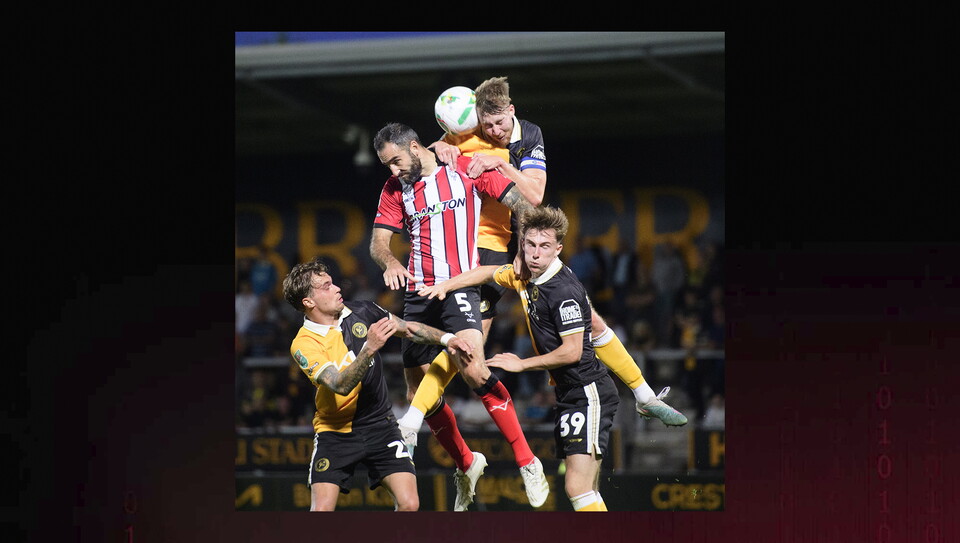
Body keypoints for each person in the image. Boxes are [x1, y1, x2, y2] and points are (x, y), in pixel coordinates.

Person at [431, 76, 687, 427]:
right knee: (469, 350)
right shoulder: (469, 131)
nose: (493, 131)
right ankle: (419, 414)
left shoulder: (530, 135)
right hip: (485, 250)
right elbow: (429, 152)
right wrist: (439, 147)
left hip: (528, 247)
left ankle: (643, 395)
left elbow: (535, 196)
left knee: (591, 318)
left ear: (512, 111)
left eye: (499, 123)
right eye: (486, 124)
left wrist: (500, 164)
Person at [370, 122, 549, 511]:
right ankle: (466, 463)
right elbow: (379, 241)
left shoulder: (468, 169)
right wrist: (389, 261)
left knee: (472, 365)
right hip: (419, 292)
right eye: (387, 165)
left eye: (396, 161)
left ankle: (526, 460)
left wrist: (521, 248)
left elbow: (523, 205)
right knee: (417, 391)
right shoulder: (394, 189)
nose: (393, 171)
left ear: (415, 147)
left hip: (460, 286)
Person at [419, 206, 623, 511]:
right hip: (570, 393)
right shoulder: (527, 277)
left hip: (588, 390)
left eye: (544, 247)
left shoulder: (563, 290)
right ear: (521, 246)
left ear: (558, 250)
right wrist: (447, 285)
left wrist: (521, 363)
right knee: (584, 487)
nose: (535, 254)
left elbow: (572, 351)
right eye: (530, 245)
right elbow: (488, 272)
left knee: (578, 486)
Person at [282, 256, 475, 512]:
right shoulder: (304, 344)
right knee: (321, 511)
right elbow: (339, 385)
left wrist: (447, 339)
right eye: (326, 286)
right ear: (308, 302)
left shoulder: (363, 310)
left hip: (381, 426)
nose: (337, 288)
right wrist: (370, 348)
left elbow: (409, 329)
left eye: (333, 283)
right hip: (335, 433)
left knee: (410, 504)